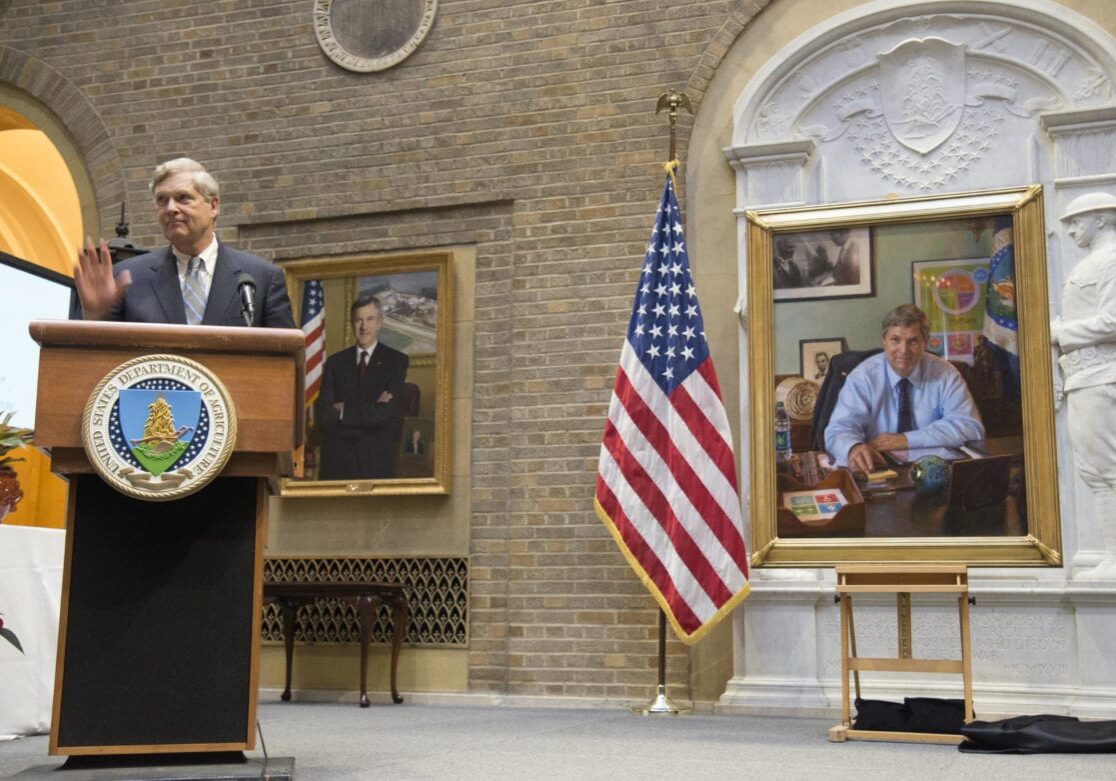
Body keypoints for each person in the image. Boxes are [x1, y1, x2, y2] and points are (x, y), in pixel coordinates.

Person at [73, 158, 294, 327]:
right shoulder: (128, 278)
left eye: (183, 198)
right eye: (162, 200)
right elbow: (101, 360)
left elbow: (287, 361)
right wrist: (96, 316)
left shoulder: (261, 278)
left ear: (213, 206)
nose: (171, 209)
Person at [825, 303, 984, 473]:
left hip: (935, 470)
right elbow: (839, 428)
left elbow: (970, 427)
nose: (903, 350)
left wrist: (905, 440)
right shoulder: (863, 377)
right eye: (895, 340)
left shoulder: (945, 373)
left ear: (925, 342)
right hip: (878, 468)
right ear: (884, 341)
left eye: (913, 341)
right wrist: (853, 447)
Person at [1050, 192, 1116, 575]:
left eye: (1078, 220)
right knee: (1096, 470)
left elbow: (1112, 320)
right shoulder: (1097, 260)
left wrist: (1061, 332)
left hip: (1099, 375)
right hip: (1084, 377)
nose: (1072, 229)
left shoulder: (1110, 260)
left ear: (1101, 219)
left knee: (1106, 469)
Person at [316, 294, 409, 480]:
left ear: (380, 322)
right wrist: (372, 407)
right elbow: (324, 415)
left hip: (375, 462)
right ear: (352, 324)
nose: (364, 327)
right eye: (358, 320)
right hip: (337, 462)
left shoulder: (396, 361)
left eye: (370, 319)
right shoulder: (335, 362)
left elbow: (385, 414)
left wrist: (343, 411)